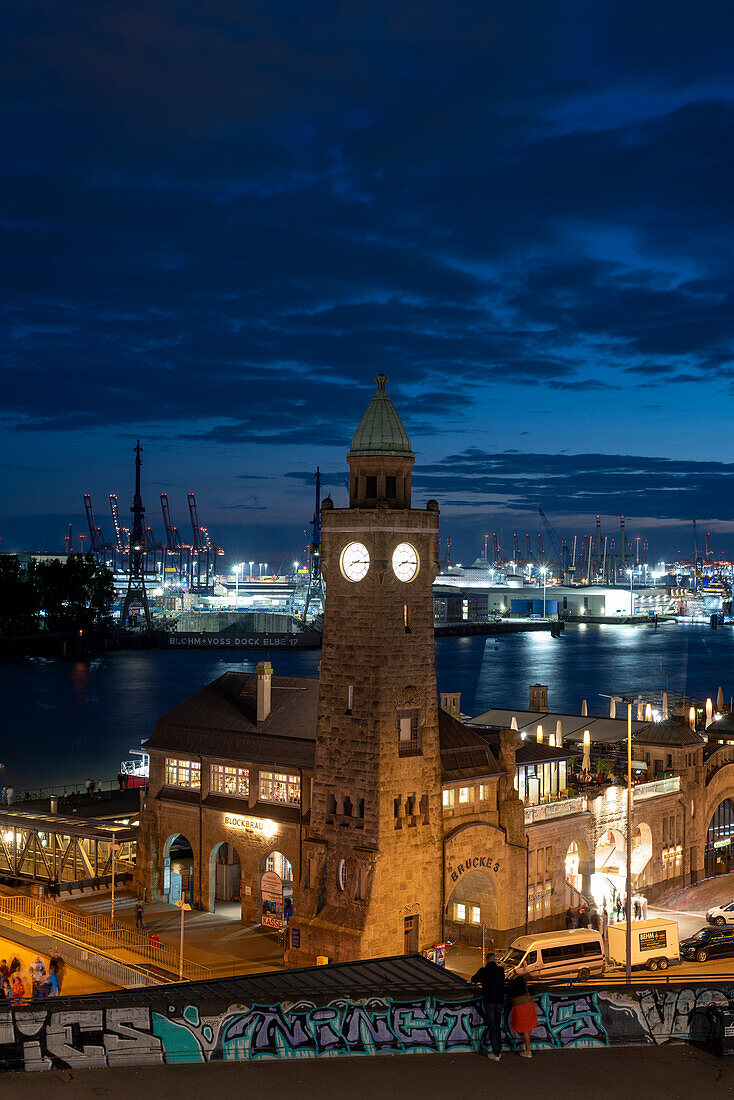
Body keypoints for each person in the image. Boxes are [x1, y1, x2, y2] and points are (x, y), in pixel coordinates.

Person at [471, 951, 505, 1060]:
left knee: (492, 1026)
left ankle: (495, 1053)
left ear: (486, 960)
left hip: (489, 1001)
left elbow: (474, 979)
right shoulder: (500, 970)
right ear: (495, 960)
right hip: (499, 1001)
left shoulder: (483, 971)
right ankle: (498, 1050)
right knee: (498, 1026)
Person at [507, 970, 538, 1059]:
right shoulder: (521, 979)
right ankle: (527, 1049)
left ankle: (528, 1051)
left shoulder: (512, 984)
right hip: (529, 1003)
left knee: (525, 1029)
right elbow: (529, 975)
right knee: (528, 1027)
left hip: (520, 1006)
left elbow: (509, 994)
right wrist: (522, 971)